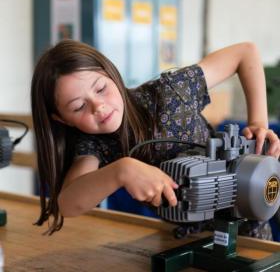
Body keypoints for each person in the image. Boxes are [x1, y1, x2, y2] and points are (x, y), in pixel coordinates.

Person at [31, 39, 280, 235]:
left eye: (101, 89)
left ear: (111, 74)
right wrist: (122, 170)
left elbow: (245, 52)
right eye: (78, 107)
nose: (99, 107)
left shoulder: (170, 93)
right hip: (181, 239)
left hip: (248, 233)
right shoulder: (96, 144)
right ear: (62, 119)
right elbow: (67, 204)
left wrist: (258, 122)